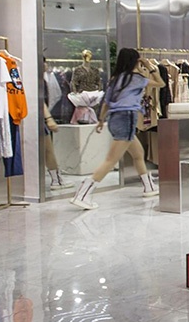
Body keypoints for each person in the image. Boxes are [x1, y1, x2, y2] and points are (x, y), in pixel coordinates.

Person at [70, 47, 165, 210]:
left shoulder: (115, 79)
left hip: (115, 118)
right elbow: (161, 83)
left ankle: (149, 187)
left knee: (138, 154)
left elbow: (106, 102)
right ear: (135, 61)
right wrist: (149, 66)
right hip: (127, 117)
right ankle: (83, 194)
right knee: (111, 160)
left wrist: (101, 120)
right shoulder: (137, 78)